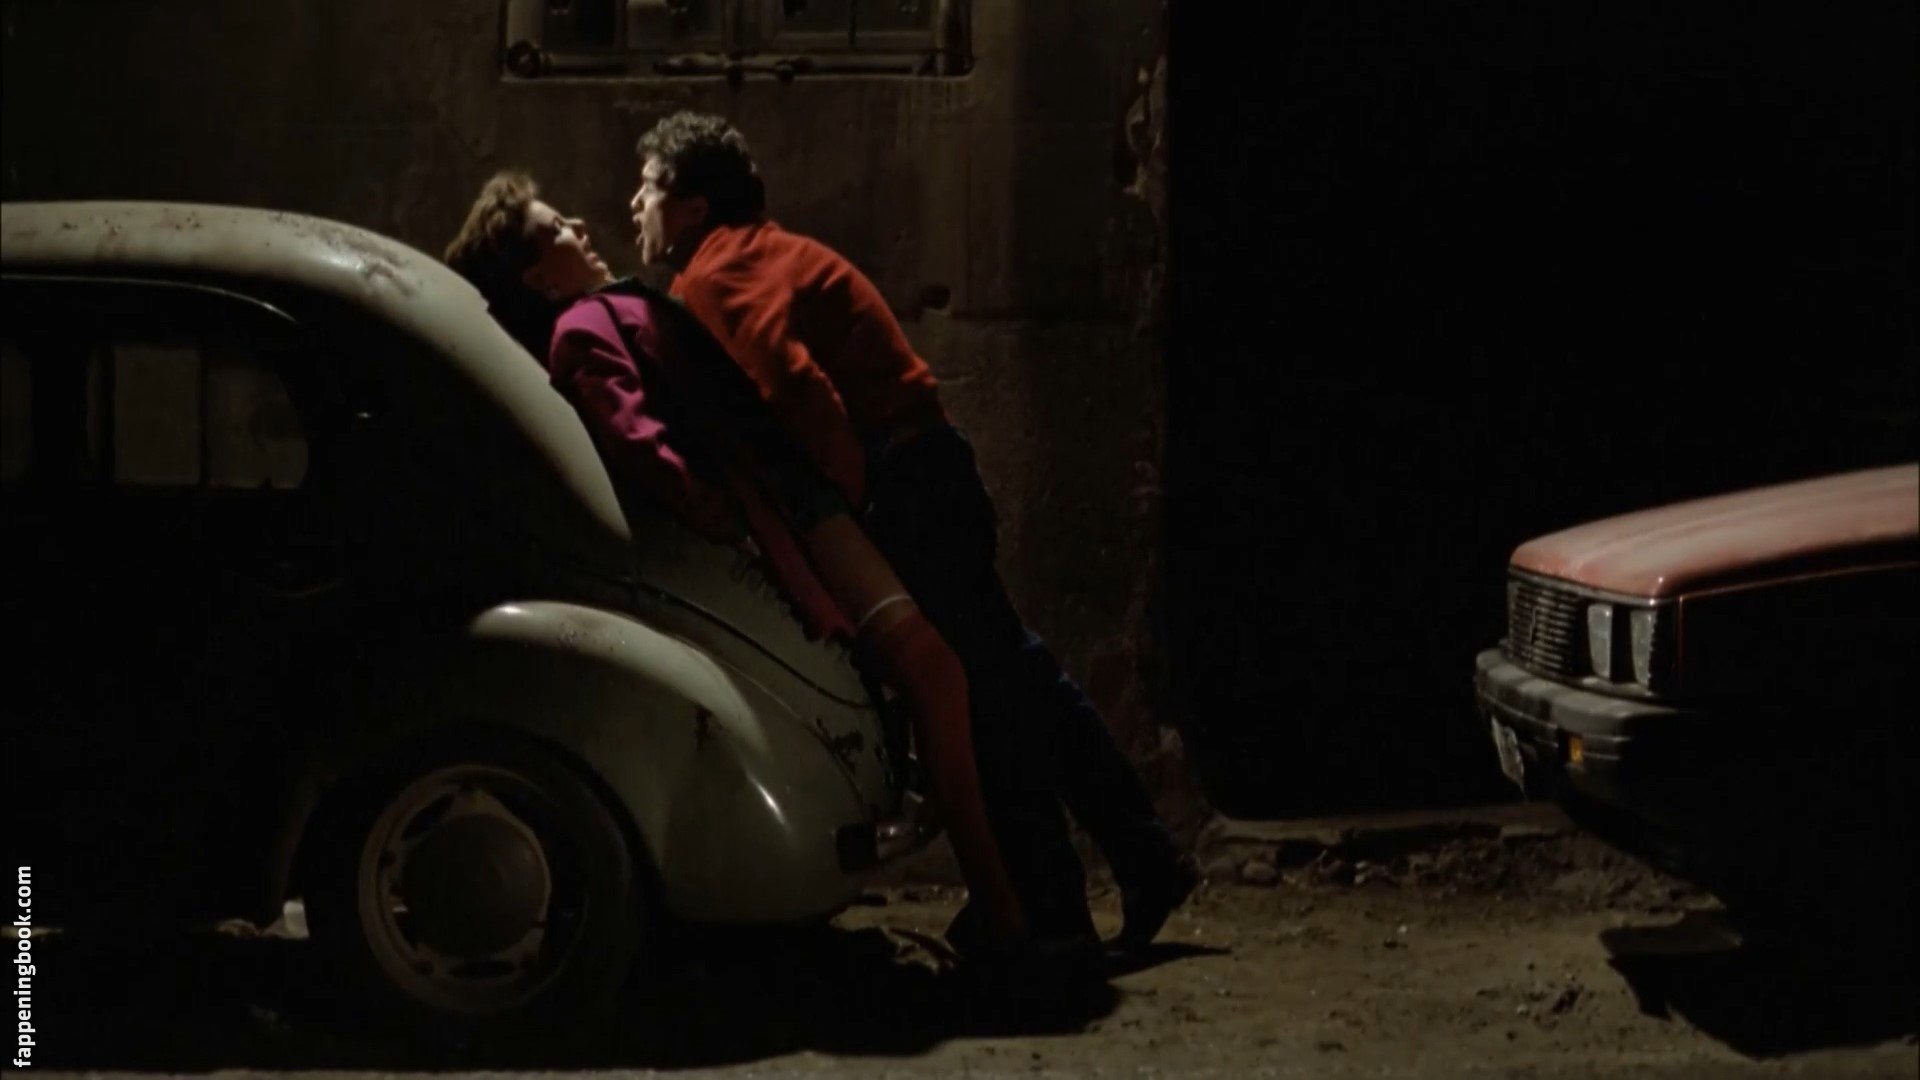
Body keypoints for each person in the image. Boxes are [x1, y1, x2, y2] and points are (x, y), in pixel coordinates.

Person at [628, 111, 1200, 955]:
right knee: (1013, 675)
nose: (633, 204)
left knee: (986, 694)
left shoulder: (717, 275)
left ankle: (1052, 908)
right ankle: (1122, 866)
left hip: (904, 481)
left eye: (647, 187)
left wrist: (845, 507)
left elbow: (794, 391)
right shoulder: (762, 252)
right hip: (927, 464)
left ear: (693, 205)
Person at [441, 172, 1028, 948]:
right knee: (933, 671)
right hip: (788, 518)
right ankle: (1003, 913)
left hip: (794, 508)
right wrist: (729, 522)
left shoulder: (606, 309)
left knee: (928, 678)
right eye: (554, 227)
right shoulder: (581, 328)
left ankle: (998, 904)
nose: (578, 223)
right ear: (536, 277)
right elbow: (640, 442)